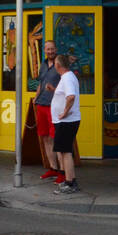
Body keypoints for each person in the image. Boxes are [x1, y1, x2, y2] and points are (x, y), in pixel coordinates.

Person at [50, 52, 82, 194]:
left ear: (57, 65)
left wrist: (64, 112)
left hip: (66, 121)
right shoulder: (67, 77)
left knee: (66, 151)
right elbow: (65, 95)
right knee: (64, 151)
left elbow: (70, 97)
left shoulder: (67, 78)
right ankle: (69, 180)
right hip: (66, 121)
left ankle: (70, 183)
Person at [35, 41, 63, 181]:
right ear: (44, 50)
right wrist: (36, 98)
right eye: (48, 49)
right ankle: (53, 168)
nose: (50, 51)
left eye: (52, 49)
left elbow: (66, 83)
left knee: (56, 138)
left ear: (56, 49)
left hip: (55, 106)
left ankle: (62, 172)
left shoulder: (60, 64)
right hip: (41, 104)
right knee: (45, 137)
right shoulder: (43, 64)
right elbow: (41, 83)